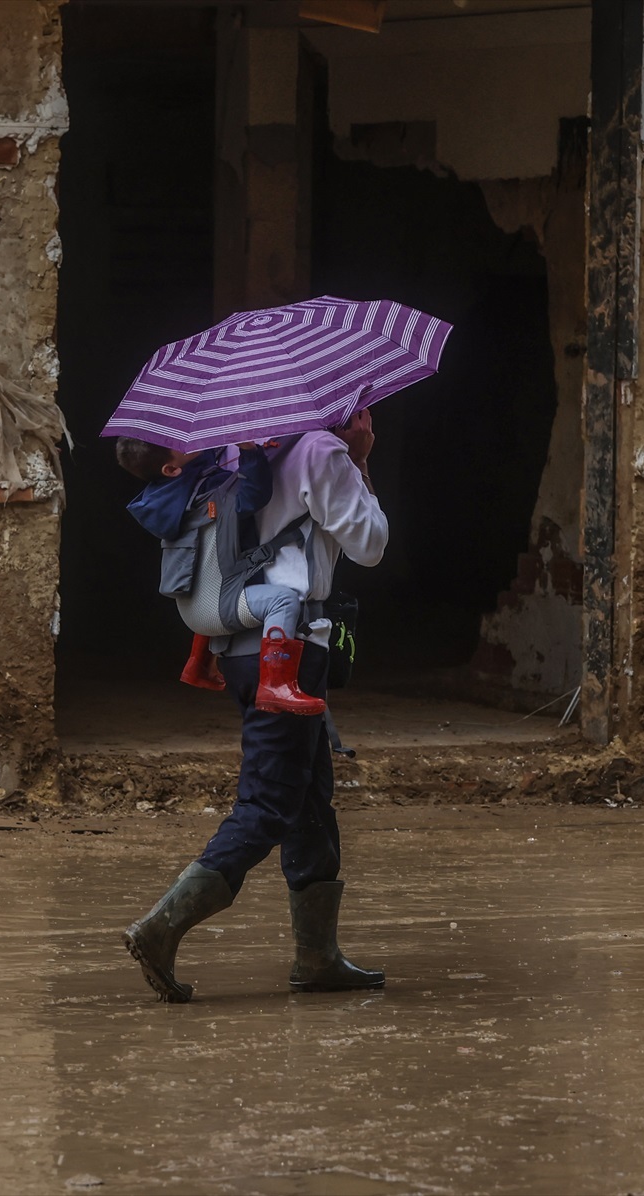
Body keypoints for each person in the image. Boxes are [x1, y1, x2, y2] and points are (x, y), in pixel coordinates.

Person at [122, 408, 387, 1002]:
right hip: (288, 648)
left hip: (244, 648)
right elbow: (370, 546)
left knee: (311, 798)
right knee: (268, 802)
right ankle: (161, 927)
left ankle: (317, 956)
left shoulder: (231, 458)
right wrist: (362, 460)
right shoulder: (320, 452)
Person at [116, 437, 322, 715]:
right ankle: (276, 686)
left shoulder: (170, 493)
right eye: (177, 441)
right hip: (215, 611)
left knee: (212, 576)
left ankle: (199, 664)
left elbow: (198, 460)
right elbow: (254, 495)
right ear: (171, 468)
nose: (185, 438)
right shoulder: (212, 491)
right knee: (283, 601)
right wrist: (250, 451)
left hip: (192, 609)